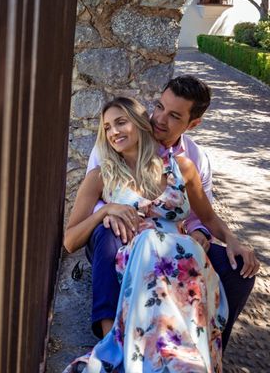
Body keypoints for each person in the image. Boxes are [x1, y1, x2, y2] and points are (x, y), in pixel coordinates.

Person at [62, 96, 259, 372]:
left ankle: (198, 356)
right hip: (135, 256)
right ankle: (124, 347)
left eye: (121, 122)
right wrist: (104, 212)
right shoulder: (101, 175)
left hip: (182, 257)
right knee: (147, 244)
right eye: (107, 128)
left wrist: (235, 242)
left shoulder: (183, 166)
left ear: (141, 124)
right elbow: (70, 241)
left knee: (235, 268)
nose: (114, 132)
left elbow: (209, 217)